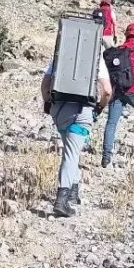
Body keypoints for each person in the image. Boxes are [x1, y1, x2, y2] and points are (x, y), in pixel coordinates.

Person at [42, 54, 111, 219]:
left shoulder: (60, 55)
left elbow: (45, 84)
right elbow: (107, 90)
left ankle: (73, 192)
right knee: (71, 154)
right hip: (82, 111)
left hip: (59, 110)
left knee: (71, 150)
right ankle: (62, 198)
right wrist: (100, 108)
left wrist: (47, 103)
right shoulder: (96, 58)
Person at [102, 22, 134, 167]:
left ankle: (106, 156)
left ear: (126, 35)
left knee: (111, 122)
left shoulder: (118, 50)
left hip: (117, 91)